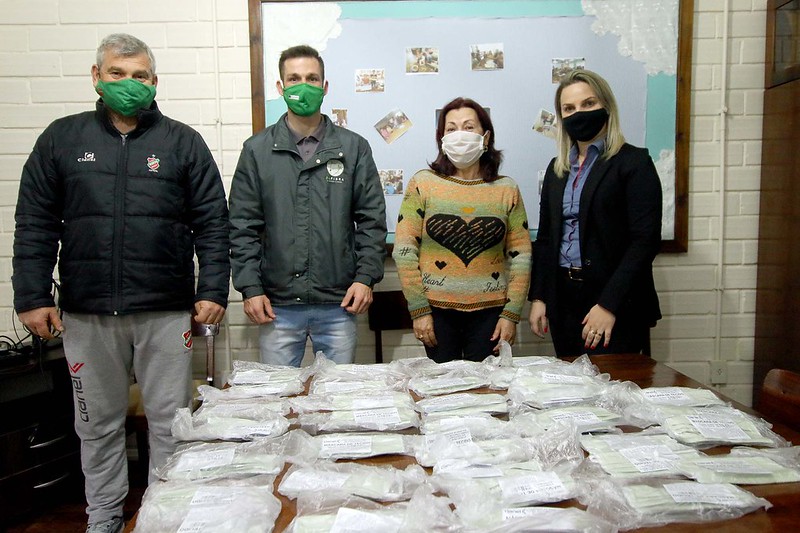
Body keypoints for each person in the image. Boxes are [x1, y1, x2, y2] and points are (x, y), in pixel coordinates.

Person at [12, 34, 229, 533]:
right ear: (97, 77)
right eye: (117, 74)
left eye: (139, 76)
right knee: (96, 426)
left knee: (172, 426)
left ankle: (164, 518)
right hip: (87, 314)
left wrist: (213, 290)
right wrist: (32, 296)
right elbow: (35, 222)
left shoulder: (183, 142)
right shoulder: (61, 139)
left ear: (154, 82)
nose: (129, 84)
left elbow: (213, 223)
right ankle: (104, 519)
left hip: (165, 312)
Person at [229, 45, 386, 366]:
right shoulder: (257, 151)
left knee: (336, 394)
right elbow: (242, 227)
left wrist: (365, 277)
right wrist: (250, 288)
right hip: (277, 305)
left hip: (339, 302)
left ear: (324, 87)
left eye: (312, 78)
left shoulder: (353, 148)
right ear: (281, 87)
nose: (304, 86)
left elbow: (372, 221)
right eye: (294, 78)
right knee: (280, 394)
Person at [528, 69, 662, 357]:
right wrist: (540, 296)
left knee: (611, 382)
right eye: (569, 108)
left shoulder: (634, 163)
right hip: (563, 300)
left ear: (607, 106)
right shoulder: (557, 169)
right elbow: (547, 238)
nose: (579, 113)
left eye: (588, 103)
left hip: (614, 302)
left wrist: (608, 304)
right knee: (569, 381)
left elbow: (645, 241)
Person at [393, 97, 531, 363]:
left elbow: (521, 256)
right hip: (435, 313)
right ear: (441, 138)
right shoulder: (422, 183)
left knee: (487, 385)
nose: (460, 134)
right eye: (451, 128)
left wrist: (511, 314)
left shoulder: (507, 189)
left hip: (491, 314)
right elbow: (404, 251)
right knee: (444, 384)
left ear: (485, 136)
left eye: (468, 127)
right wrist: (419, 310)